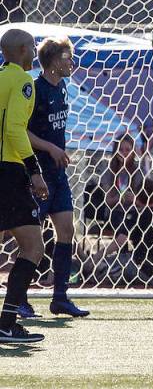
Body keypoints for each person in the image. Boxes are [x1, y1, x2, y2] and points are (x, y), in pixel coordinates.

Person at [25, 35, 89, 317]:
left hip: (58, 174)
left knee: (66, 231)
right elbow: (21, 131)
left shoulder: (63, 87)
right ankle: (19, 299)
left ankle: (60, 297)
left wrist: (59, 151)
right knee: (30, 241)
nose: (71, 62)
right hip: (36, 174)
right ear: (51, 61)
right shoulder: (34, 89)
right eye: (66, 57)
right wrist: (50, 147)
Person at [0, 28, 47, 342]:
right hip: (9, 171)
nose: (35, 51)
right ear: (20, 51)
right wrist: (34, 171)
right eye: (32, 46)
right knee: (33, 246)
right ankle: (7, 323)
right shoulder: (23, 81)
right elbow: (15, 128)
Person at [80, 179, 153, 287]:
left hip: (138, 268)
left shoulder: (137, 215)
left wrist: (98, 256)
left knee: (108, 264)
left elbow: (120, 241)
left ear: (137, 195)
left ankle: (96, 270)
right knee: (121, 259)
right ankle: (100, 268)